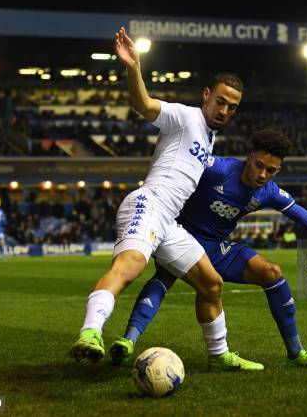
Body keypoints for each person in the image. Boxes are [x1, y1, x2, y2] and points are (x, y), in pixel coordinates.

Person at [70, 27, 262, 372]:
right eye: (220, 101)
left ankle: (219, 355)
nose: (224, 110)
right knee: (130, 266)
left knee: (211, 283)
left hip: (169, 221)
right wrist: (133, 66)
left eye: (231, 107)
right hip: (149, 203)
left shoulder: (210, 137)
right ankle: (90, 332)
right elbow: (142, 104)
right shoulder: (186, 116)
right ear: (207, 95)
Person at [110, 129, 307, 369]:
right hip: (180, 237)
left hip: (216, 246)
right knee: (165, 275)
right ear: (249, 157)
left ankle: (296, 352)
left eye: (271, 170)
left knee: (272, 272)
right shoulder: (217, 169)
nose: (263, 174)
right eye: (259, 165)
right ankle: (127, 341)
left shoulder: (270, 192)